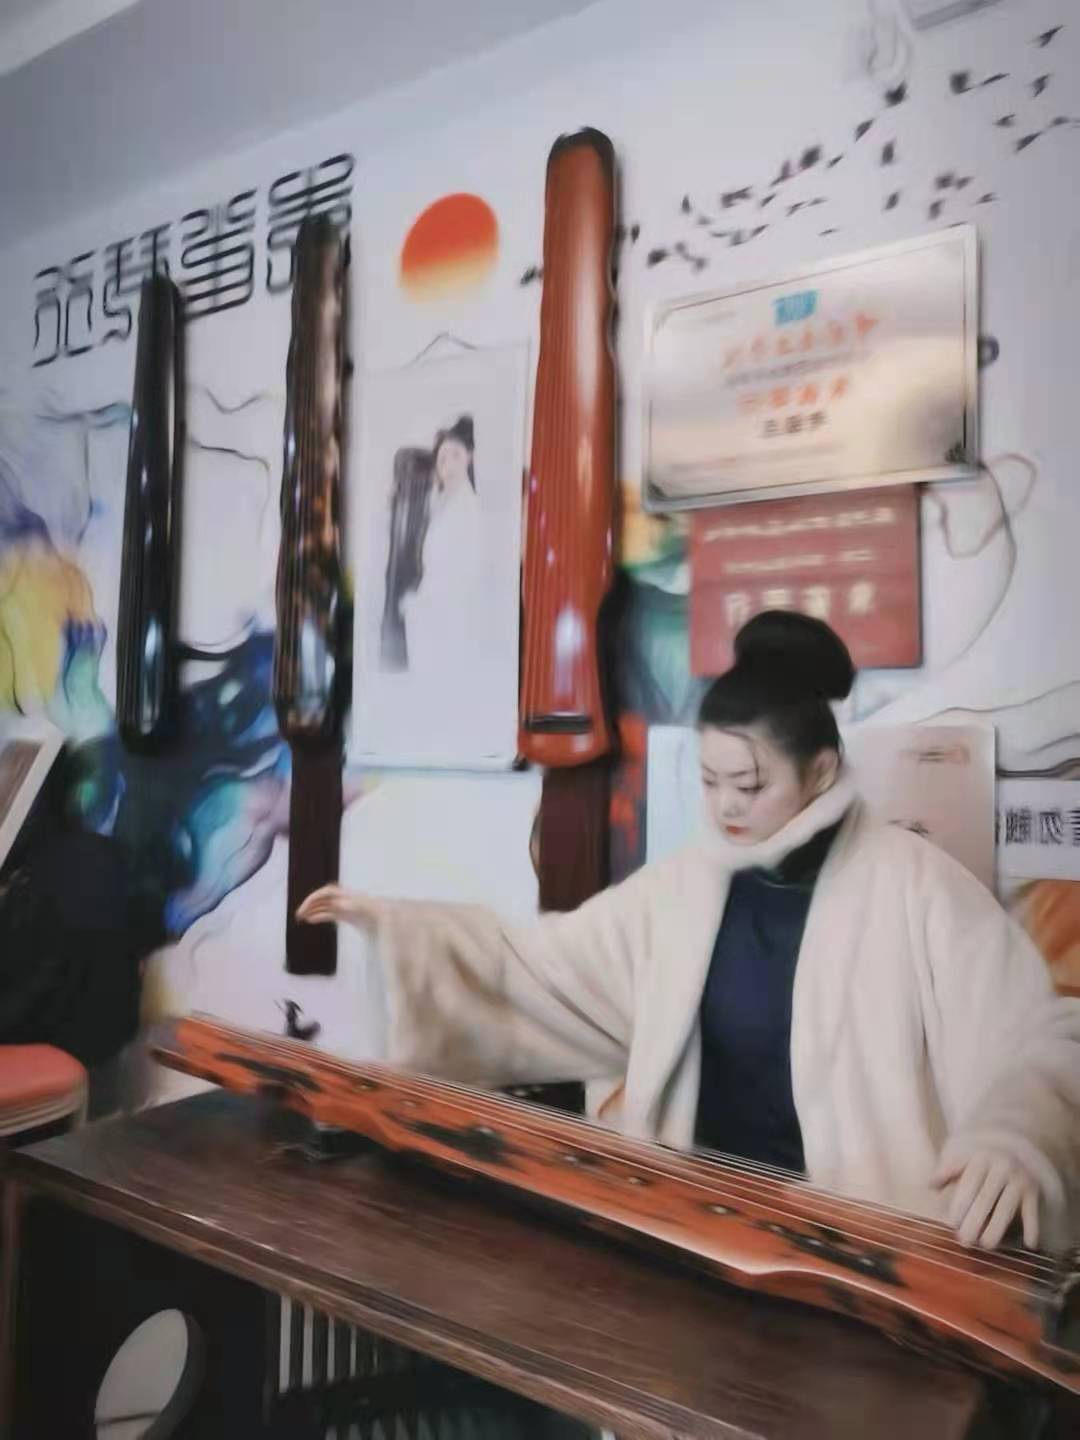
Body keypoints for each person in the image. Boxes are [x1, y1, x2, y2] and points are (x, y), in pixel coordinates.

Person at [299, 612, 1080, 1251]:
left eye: (749, 784)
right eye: (710, 783)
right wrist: (401, 931)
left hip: (859, 1261)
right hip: (693, 1234)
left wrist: (1018, 1137)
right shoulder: (683, 889)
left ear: (820, 772)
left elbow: (1043, 1041)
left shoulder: (918, 888)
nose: (726, 807)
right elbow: (541, 969)